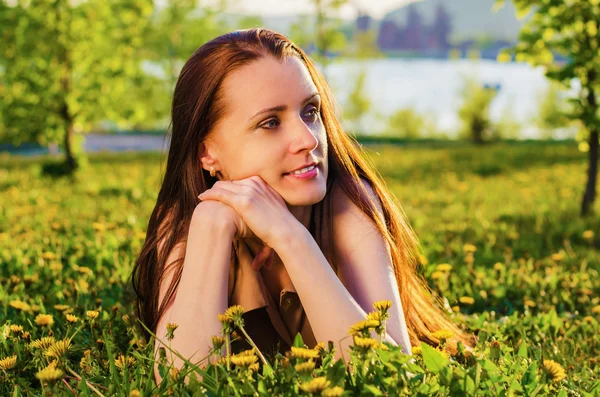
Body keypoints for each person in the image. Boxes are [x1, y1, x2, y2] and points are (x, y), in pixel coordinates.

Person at [131, 28, 474, 385]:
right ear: (207, 152)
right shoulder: (188, 221)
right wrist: (213, 224)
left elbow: (391, 377)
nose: (309, 139)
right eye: (270, 123)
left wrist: (290, 238)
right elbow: (181, 384)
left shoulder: (349, 206)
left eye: (310, 111)